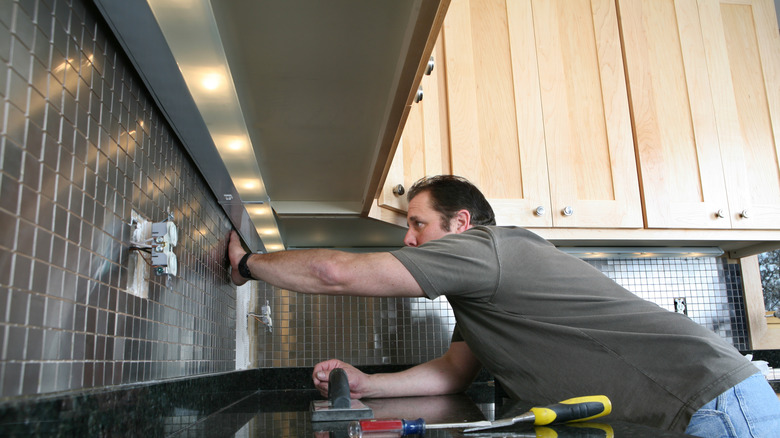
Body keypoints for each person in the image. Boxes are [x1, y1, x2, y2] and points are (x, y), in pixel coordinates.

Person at [228, 175, 780, 436]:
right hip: (700, 411)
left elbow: (334, 273)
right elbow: (453, 374)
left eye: (417, 224)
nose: (409, 240)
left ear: (460, 225)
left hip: (714, 405)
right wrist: (370, 385)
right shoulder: (478, 292)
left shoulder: (488, 250)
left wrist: (247, 263)